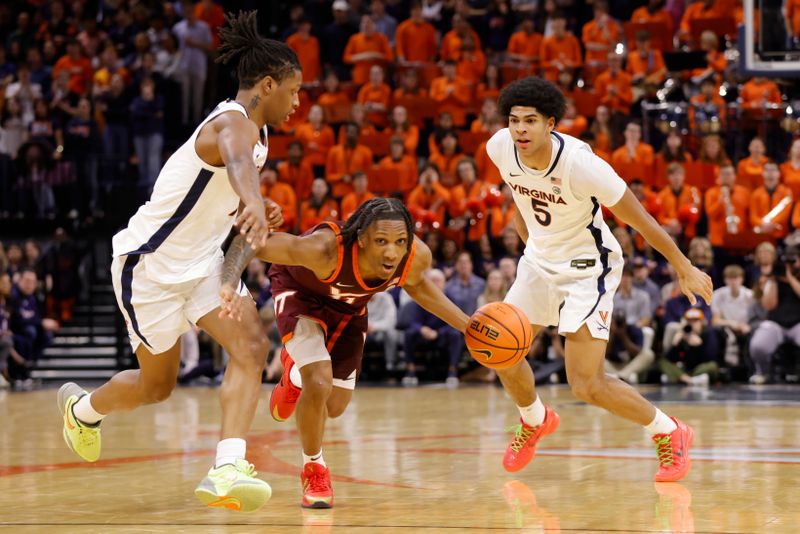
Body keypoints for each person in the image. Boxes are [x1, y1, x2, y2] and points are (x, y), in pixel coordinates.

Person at [56, 11, 301, 513]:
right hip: (148, 267)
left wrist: (242, 238)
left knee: (252, 348)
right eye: (294, 91)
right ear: (268, 84)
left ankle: (227, 468)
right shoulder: (231, 125)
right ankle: (82, 411)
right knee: (156, 387)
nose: (297, 102)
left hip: (203, 266)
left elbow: (234, 203)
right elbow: (235, 164)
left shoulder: (258, 135)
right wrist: (253, 201)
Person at [484, 77, 712, 482]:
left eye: (530, 121)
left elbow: (641, 221)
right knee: (500, 348)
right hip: (539, 263)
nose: (519, 129)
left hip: (589, 269)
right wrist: (534, 248)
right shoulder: (500, 146)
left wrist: (683, 267)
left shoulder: (583, 166)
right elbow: (521, 199)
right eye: (515, 120)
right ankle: (534, 419)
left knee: (586, 384)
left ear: (550, 123)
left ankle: (669, 431)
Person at [217, 198, 470, 508]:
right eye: (381, 241)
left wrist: (467, 326)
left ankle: (295, 374)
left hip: (349, 310)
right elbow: (252, 241)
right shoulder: (324, 250)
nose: (391, 251)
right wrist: (228, 282)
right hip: (301, 295)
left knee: (333, 406)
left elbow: (416, 285)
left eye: (400, 241)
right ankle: (314, 468)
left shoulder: (413, 257)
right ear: (361, 238)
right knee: (319, 381)